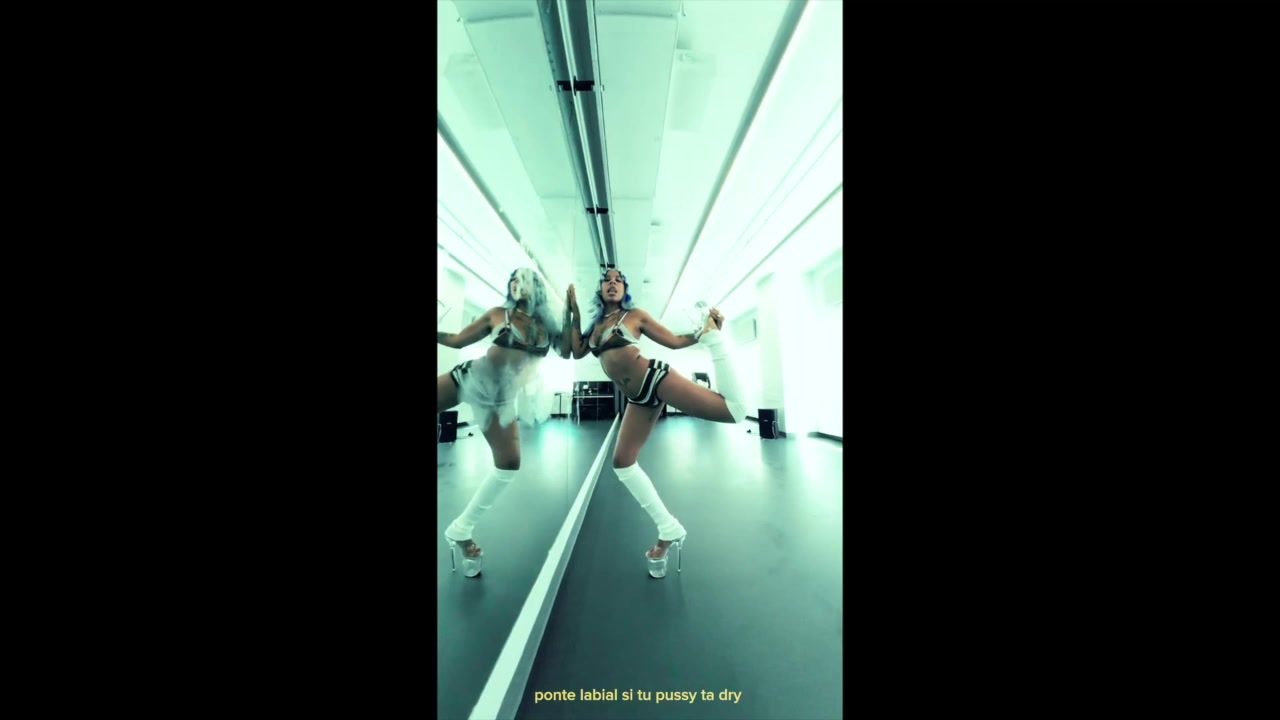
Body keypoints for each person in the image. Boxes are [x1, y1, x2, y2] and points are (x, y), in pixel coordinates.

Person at [565, 268, 749, 578]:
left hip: (655, 378)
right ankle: (668, 528)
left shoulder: (634, 316)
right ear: (600, 289)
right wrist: (573, 312)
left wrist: (706, 333)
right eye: (607, 280)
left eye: (619, 280)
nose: (613, 283)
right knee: (623, 464)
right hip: (638, 398)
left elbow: (674, 342)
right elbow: (575, 351)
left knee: (735, 411)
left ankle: (716, 340)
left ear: (625, 289)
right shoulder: (596, 326)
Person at [437, 268, 568, 578]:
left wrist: (572, 313)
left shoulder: (547, 325)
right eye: (512, 279)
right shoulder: (498, 314)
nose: (515, 283)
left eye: (521, 279)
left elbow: (568, 351)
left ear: (536, 287)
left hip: (500, 401)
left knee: (508, 464)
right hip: (469, 379)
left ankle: (461, 529)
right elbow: (456, 341)